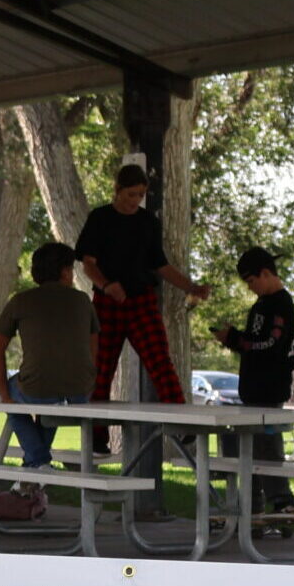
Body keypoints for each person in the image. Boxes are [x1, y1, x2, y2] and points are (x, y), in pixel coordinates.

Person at [75, 163, 210, 407]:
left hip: (142, 302)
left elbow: (161, 265)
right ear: (117, 189)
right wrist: (107, 285)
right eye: (131, 194)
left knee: (160, 361)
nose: (135, 200)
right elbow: (88, 263)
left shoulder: (148, 222)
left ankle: (181, 424)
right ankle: (95, 436)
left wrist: (191, 287)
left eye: (140, 195)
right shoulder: (100, 218)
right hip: (107, 302)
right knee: (101, 368)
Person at [0, 242, 102, 518]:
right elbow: (94, 350)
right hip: (80, 390)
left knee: (13, 399)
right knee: (50, 403)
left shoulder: (21, 300)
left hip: (38, 388)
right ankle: (31, 484)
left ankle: (38, 463)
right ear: (65, 272)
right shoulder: (82, 301)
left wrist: (4, 396)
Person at [212, 246, 294, 532]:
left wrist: (236, 340)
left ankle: (283, 501)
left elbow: (270, 344)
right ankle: (252, 508)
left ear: (266, 273)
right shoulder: (261, 306)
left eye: (251, 282)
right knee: (245, 450)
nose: (251, 288)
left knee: (267, 449)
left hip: (270, 389)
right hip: (252, 390)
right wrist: (235, 339)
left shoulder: (281, 305)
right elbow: (254, 342)